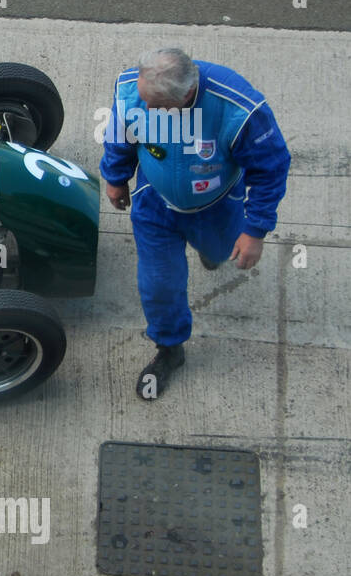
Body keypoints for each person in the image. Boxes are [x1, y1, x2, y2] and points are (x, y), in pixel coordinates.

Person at [101, 47, 290, 399]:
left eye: (158, 108)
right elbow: (120, 132)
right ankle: (170, 348)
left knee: (220, 251)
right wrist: (115, 176)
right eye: (145, 102)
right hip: (154, 204)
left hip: (215, 207)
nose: (149, 113)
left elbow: (271, 168)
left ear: (186, 95)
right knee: (159, 283)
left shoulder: (239, 110)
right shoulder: (134, 90)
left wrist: (255, 230)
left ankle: (211, 250)